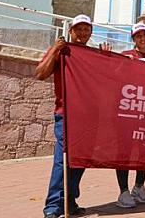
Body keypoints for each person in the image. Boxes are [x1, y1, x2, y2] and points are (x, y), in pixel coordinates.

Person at [36, 14, 100, 218]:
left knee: (80, 161)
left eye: (86, 29)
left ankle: (69, 201)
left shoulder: (93, 54)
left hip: (88, 117)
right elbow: (40, 73)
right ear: (71, 31)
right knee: (61, 161)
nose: (82, 33)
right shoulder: (61, 52)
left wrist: (106, 58)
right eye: (78, 29)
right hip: (66, 114)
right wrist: (55, 49)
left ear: (90, 32)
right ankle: (53, 207)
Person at [116, 22, 145, 208]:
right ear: (133, 39)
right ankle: (123, 191)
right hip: (128, 112)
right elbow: (112, 75)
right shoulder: (124, 56)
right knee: (125, 153)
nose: (142, 38)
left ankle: (139, 186)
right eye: (138, 36)